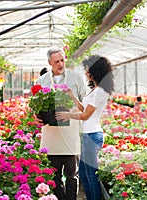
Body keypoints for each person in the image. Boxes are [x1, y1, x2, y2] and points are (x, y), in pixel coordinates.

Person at [56, 55, 115, 200]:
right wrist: (72, 96)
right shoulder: (95, 89)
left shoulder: (100, 91)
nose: (86, 73)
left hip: (92, 135)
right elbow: (83, 109)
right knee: (83, 173)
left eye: (88, 71)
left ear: (96, 71)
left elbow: (85, 116)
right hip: (88, 135)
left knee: (91, 174)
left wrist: (68, 115)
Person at [35, 46, 86, 200]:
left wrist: (71, 98)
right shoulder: (41, 81)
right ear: (50, 62)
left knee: (72, 176)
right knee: (54, 177)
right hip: (51, 137)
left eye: (62, 60)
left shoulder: (76, 78)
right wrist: (35, 116)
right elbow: (36, 106)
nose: (61, 64)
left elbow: (85, 107)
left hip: (70, 136)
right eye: (56, 61)